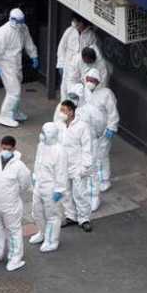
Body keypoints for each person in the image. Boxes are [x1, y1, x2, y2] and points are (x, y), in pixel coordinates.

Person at [0, 136, 32, 271]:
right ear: (1, 146)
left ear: (14, 148)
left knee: (13, 231)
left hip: (11, 204)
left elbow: (25, 183)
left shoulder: (19, 166)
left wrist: (13, 193)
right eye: (4, 148)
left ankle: (15, 257)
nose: (6, 151)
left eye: (9, 149)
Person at [0, 8, 39, 128]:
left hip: (17, 62)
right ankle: (4, 116)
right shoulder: (3, 32)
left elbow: (28, 42)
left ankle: (14, 112)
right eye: (19, 21)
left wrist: (34, 56)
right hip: (6, 63)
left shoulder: (23, 28)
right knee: (14, 91)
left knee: (17, 89)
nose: (21, 23)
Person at [57, 100, 95, 233]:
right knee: (65, 193)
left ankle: (84, 219)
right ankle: (70, 216)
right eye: (61, 110)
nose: (61, 113)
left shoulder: (82, 126)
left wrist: (85, 166)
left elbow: (87, 147)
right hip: (63, 165)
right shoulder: (59, 125)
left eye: (64, 110)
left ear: (71, 112)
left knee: (80, 193)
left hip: (77, 165)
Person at [30, 122, 67, 253]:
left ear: (51, 135)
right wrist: (34, 176)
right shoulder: (41, 145)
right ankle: (43, 233)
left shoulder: (59, 151)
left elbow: (62, 172)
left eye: (44, 133)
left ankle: (52, 241)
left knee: (52, 215)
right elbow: (37, 161)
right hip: (40, 183)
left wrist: (60, 190)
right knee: (37, 211)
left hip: (51, 186)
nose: (42, 135)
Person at [84, 70, 119, 192]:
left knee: (102, 155)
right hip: (89, 131)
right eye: (88, 79)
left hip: (104, 131)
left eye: (93, 81)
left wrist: (111, 127)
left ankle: (104, 180)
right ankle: (93, 179)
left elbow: (112, 112)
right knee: (91, 155)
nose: (90, 82)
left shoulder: (106, 94)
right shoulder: (84, 92)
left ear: (98, 82)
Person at [56, 15, 98, 99]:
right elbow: (61, 47)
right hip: (67, 66)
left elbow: (92, 54)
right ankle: (64, 110)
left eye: (78, 23)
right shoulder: (70, 31)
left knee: (79, 92)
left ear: (82, 23)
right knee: (64, 89)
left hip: (82, 69)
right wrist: (60, 64)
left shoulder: (91, 35)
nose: (76, 26)